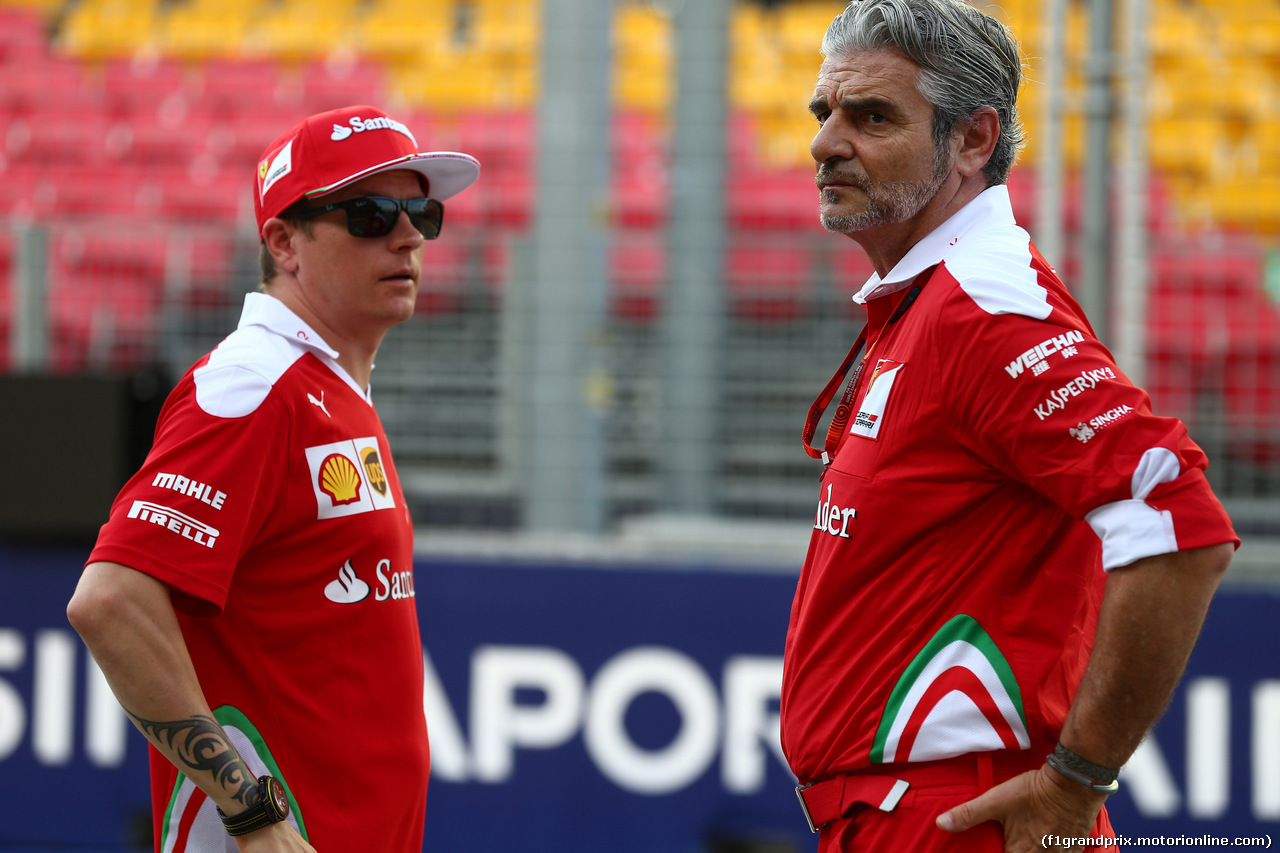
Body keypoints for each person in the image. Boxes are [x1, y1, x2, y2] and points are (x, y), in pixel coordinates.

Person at [783, 2, 1238, 852]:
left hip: (957, 821)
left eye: (871, 116)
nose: (825, 142)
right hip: (904, 818)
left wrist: (1077, 780)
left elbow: (1179, 525)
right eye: (825, 113)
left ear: (973, 140)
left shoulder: (982, 308)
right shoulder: (933, 300)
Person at [67, 105, 479, 852]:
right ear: (284, 242)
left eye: (422, 210)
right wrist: (251, 812)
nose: (409, 233)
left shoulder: (323, 384)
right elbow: (111, 600)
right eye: (370, 212)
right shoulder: (254, 385)